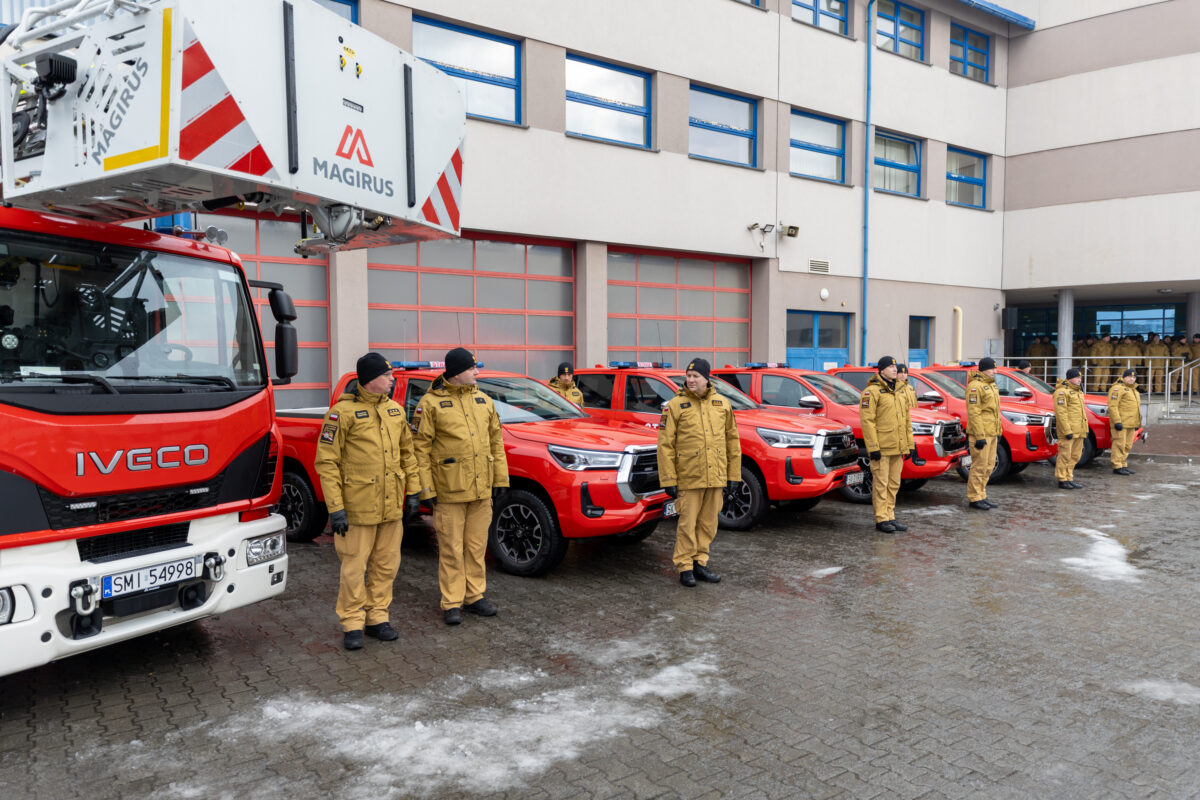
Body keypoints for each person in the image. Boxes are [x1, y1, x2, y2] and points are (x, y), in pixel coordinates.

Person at [314, 352, 421, 651]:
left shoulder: (395, 411)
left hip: (391, 507)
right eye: (386, 375)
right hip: (357, 508)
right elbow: (327, 463)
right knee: (354, 568)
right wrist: (336, 509)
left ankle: (377, 618)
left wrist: (413, 492)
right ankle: (352, 622)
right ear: (370, 378)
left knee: (386, 566)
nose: (391, 380)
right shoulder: (341, 414)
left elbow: (408, 455)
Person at [414, 347, 509, 625]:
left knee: (476, 547)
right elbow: (420, 449)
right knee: (451, 549)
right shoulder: (430, 404)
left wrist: (500, 479)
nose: (476, 373)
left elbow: (496, 443)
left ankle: (475, 596)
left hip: (481, 490)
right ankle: (452, 602)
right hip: (449, 491)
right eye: (471, 368)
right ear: (456, 373)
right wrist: (426, 490)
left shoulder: (484, 401)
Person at [657, 357, 740, 587]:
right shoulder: (675, 406)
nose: (691, 380)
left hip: (715, 476)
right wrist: (669, 479)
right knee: (687, 524)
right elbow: (665, 446)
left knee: (708, 523)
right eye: (688, 376)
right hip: (689, 476)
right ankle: (685, 567)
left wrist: (733, 476)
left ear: (706, 379)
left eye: (696, 376)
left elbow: (732, 442)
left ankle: (700, 563)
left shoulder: (722, 404)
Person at [859, 356, 916, 533]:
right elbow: (867, 422)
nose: (894, 369)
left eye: (895, 366)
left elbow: (906, 420)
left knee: (894, 483)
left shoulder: (900, 390)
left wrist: (909, 444)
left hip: (897, 446)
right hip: (882, 447)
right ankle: (881, 518)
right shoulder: (872, 391)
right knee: (881, 484)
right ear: (881, 369)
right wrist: (873, 447)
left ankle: (890, 515)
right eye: (890, 366)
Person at [965, 357, 1002, 510]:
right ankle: (974, 497)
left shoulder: (991, 385)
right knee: (979, 466)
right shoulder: (975, 386)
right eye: (992, 369)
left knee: (989, 465)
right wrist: (979, 436)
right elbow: (974, 412)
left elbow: (995, 412)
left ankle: (981, 494)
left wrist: (998, 431)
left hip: (991, 432)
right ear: (984, 369)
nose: (995, 371)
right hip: (981, 433)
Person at [1052, 368, 1088, 490]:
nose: (1079, 380)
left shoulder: (1078, 392)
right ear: (1070, 378)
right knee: (1065, 456)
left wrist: (1084, 429)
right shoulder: (1062, 392)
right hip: (1068, 431)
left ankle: (1069, 477)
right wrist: (1067, 430)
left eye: (1080, 378)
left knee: (1075, 456)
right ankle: (1062, 479)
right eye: (1077, 377)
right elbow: (1061, 413)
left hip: (1079, 430)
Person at [1107, 368, 1141, 476]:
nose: (1132, 379)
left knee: (1127, 445)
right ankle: (1117, 466)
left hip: (1131, 423)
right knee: (1119, 445)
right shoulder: (1117, 388)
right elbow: (1113, 406)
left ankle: (1123, 464)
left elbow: (1136, 408)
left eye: (1134, 377)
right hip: (1121, 423)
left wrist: (1137, 423)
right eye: (1129, 376)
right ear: (1124, 377)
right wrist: (1117, 421)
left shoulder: (1134, 390)